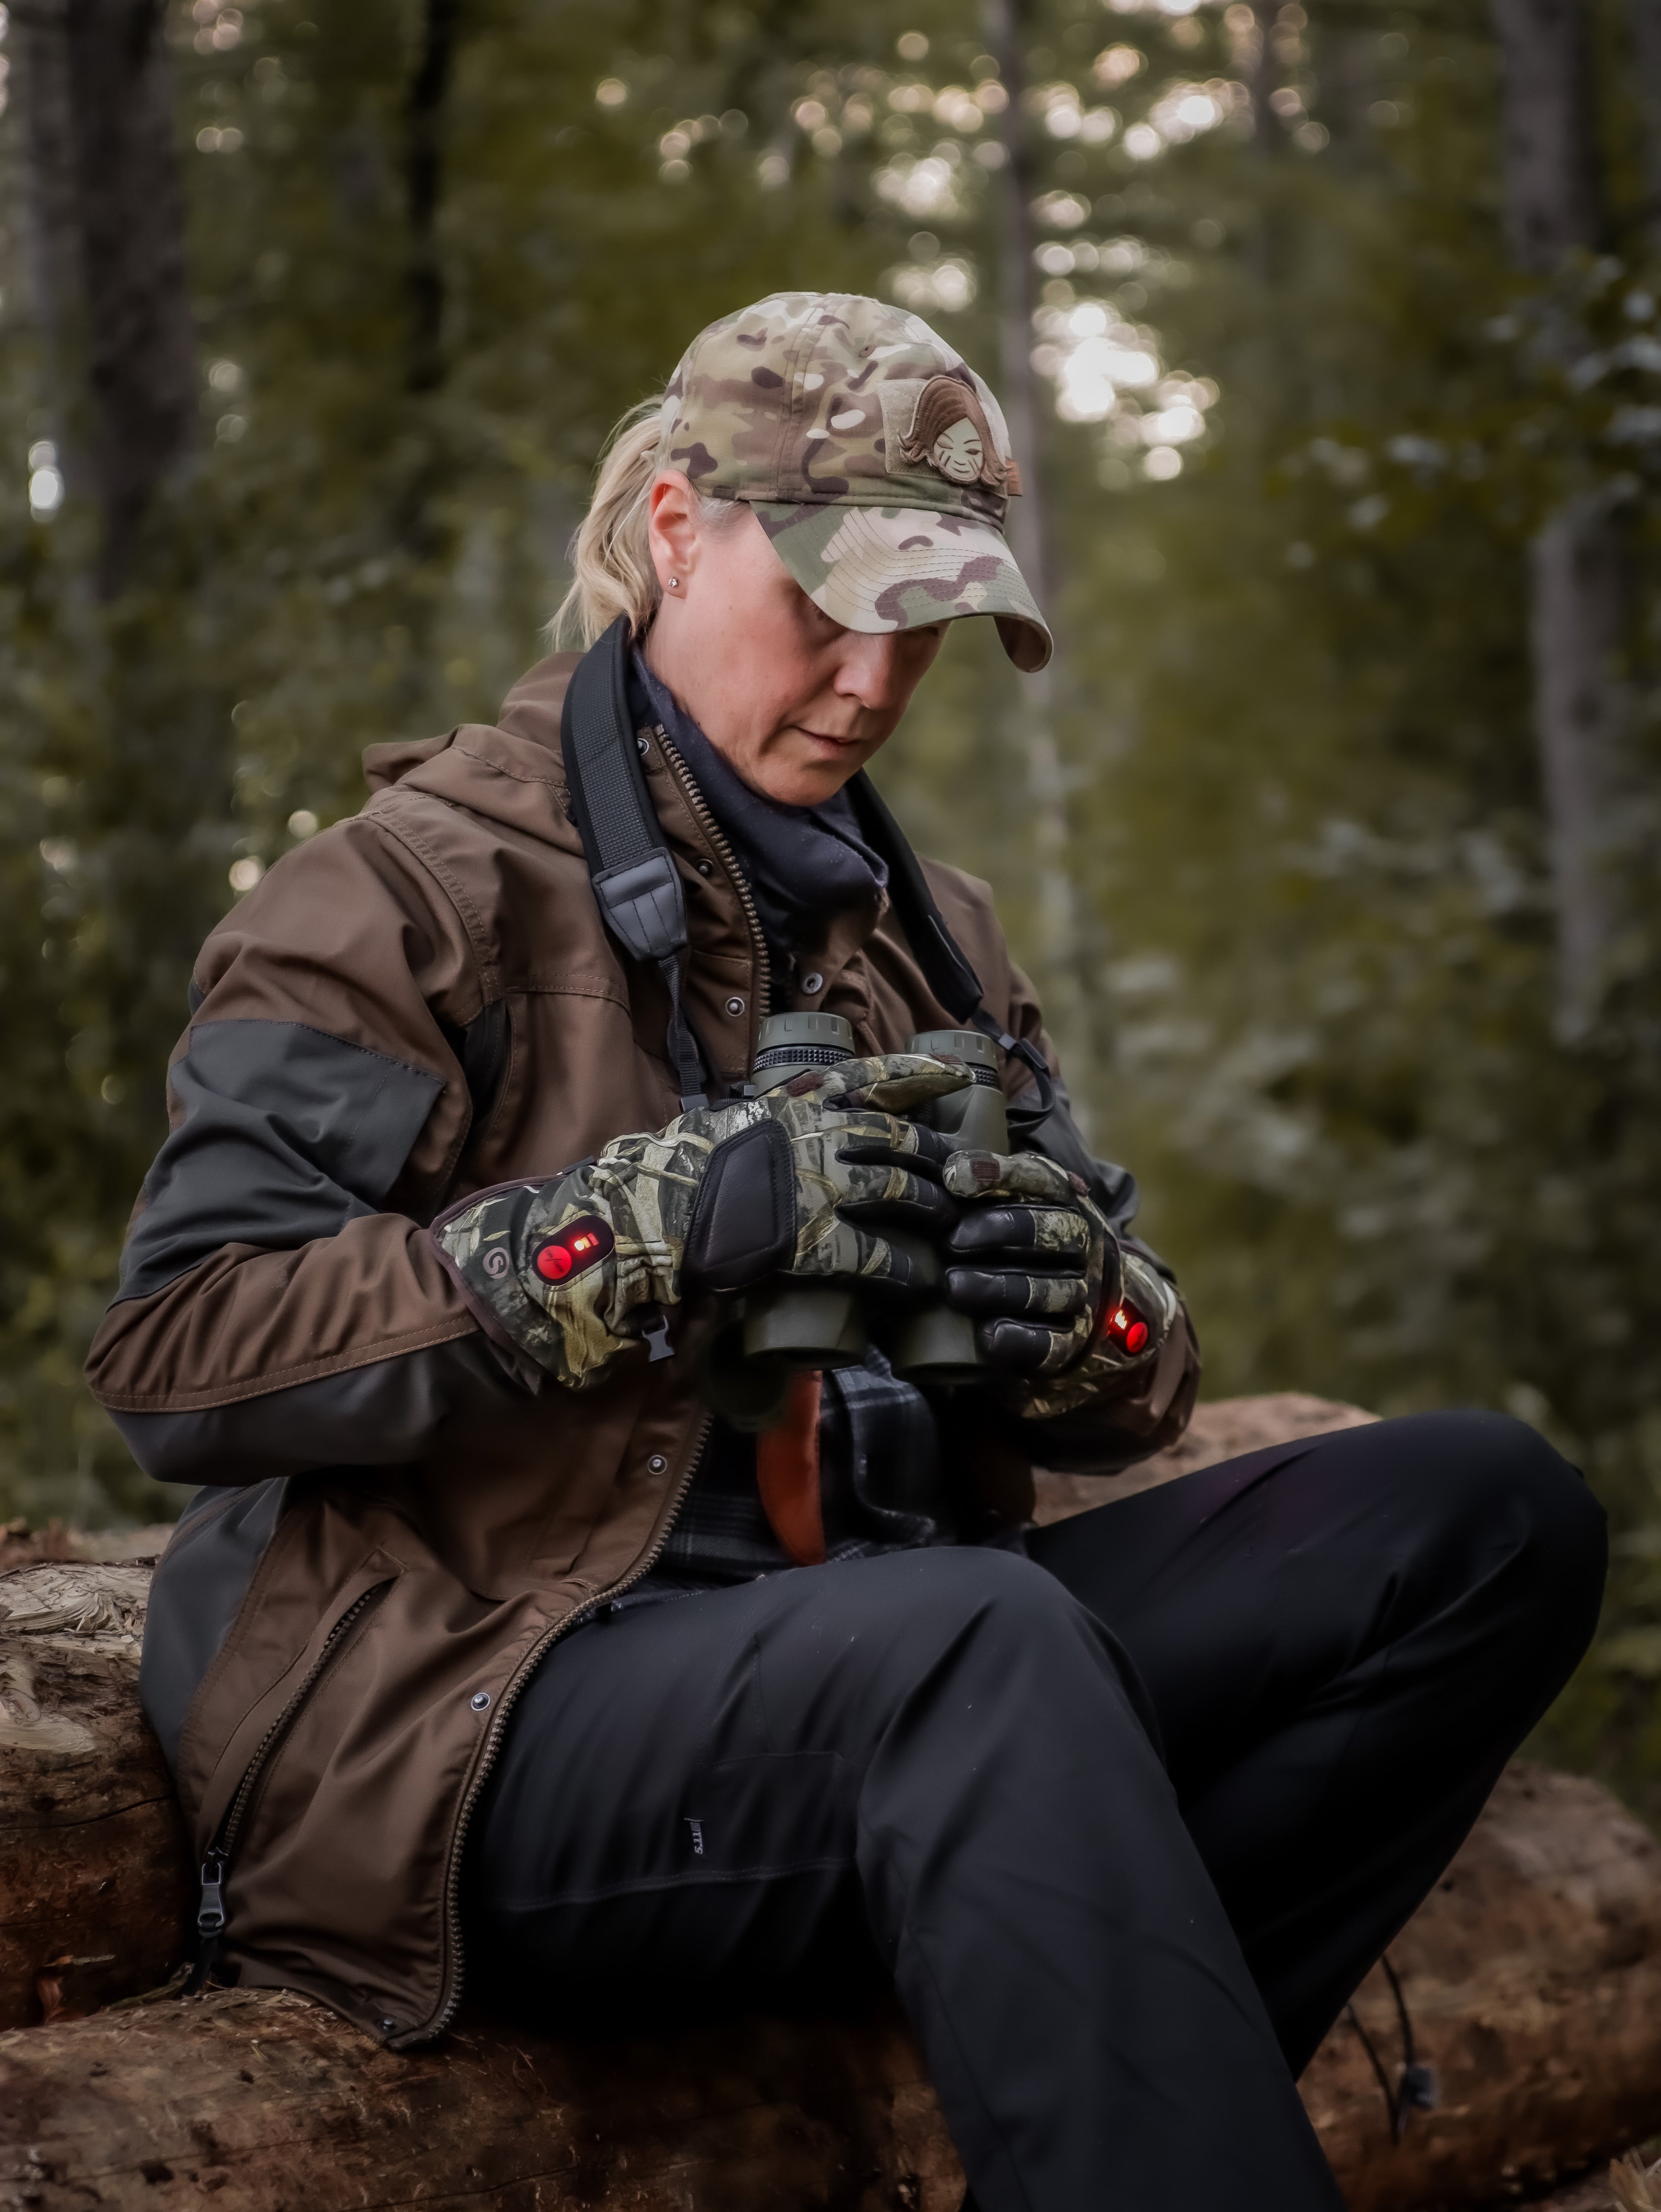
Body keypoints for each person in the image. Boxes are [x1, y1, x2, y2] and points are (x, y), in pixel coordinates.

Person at [87, 292, 1606, 2212]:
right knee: (978, 1643)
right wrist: (632, 1235)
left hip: (908, 1687)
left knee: (1484, 1515)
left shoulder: (934, 937)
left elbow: (1143, 1383)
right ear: (673, 529)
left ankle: (1083, 2075)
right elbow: (183, 1351)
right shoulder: (406, 894)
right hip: (483, 1723)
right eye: (829, 600)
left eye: (928, 625)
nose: (876, 680)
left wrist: (1077, 1308)